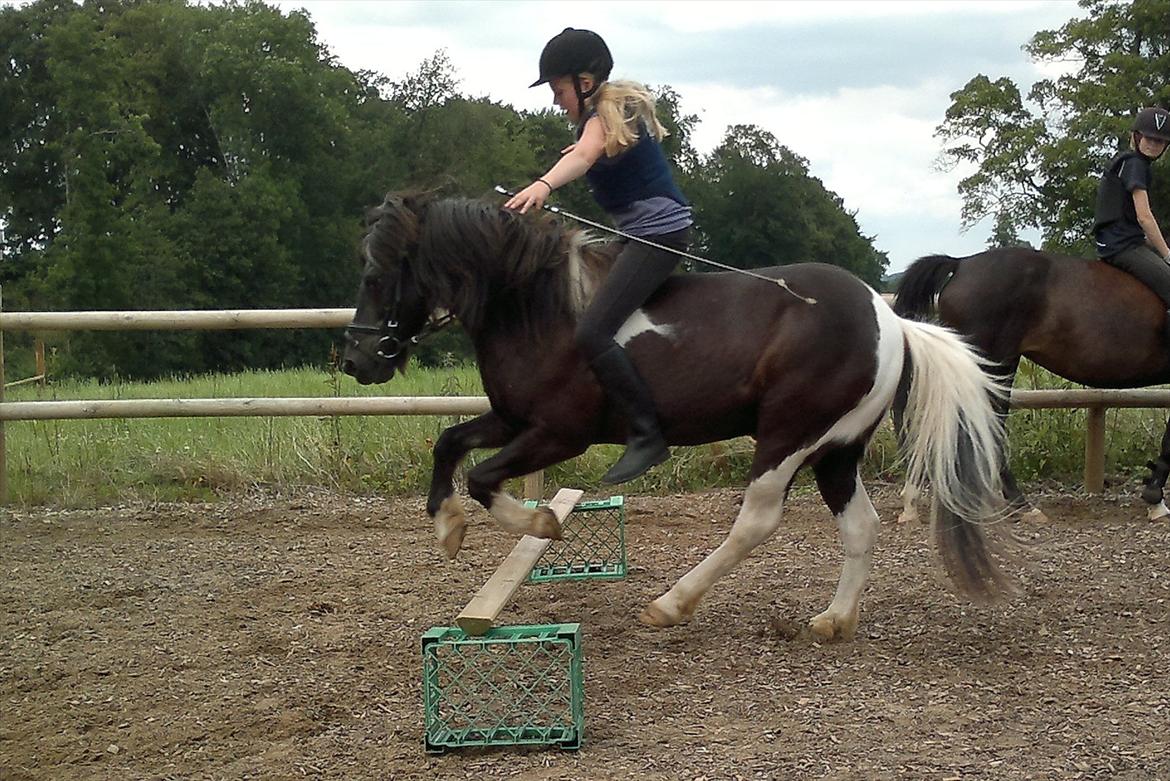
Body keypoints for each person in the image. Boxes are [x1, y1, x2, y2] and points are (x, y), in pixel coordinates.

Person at [505, 27, 693, 484]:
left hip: (658, 235)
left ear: (585, 83)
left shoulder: (610, 113)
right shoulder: (599, 117)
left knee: (591, 331)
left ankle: (647, 434)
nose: (555, 100)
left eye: (558, 89)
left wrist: (543, 184)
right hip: (636, 234)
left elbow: (586, 155)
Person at [1093, 106, 1170, 339]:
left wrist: (1153, 243)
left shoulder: (1128, 162)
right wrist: (1167, 254)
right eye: (1149, 138)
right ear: (1137, 137)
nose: (1153, 144)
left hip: (1119, 241)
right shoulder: (1136, 164)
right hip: (1122, 248)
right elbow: (1144, 216)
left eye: (1160, 141)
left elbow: (1128, 223)